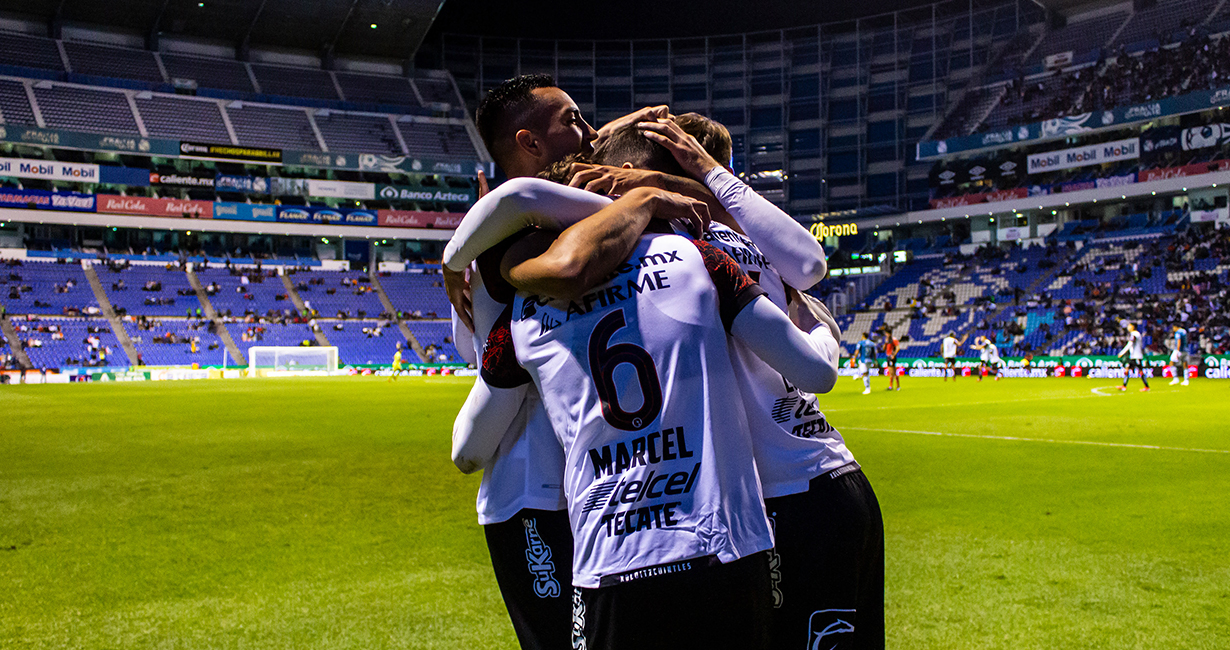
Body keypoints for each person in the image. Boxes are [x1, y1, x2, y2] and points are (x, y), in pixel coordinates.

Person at [452, 118, 882, 649]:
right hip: (737, 533)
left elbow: (466, 446)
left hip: (613, 555)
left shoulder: (521, 309)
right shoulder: (705, 254)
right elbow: (813, 306)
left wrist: (461, 256)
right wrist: (821, 329)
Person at [442, 74, 701, 650]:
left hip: (597, 485)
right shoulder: (508, 236)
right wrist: (453, 257)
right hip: (531, 489)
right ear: (529, 143)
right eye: (573, 122)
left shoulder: (545, 220)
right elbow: (521, 199)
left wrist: (631, 129)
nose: (589, 133)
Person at [1118, 323, 1150, 392]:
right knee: (1127, 369)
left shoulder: (1135, 334)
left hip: (1137, 356)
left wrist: (1122, 352)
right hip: (1133, 356)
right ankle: (1124, 385)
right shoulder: (1134, 334)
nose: (1128, 327)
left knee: (1140, 371)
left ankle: (1146, 386)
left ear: (1133, 327)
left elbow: (1130, 344)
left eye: (1129, 326)